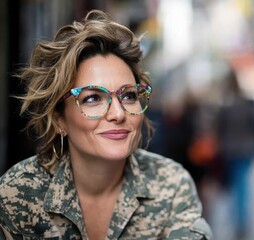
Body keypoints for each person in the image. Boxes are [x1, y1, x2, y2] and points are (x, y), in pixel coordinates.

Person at [0, 10, 212, 240]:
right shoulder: (18, 191)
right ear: (60, 120)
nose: (118, 113)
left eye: (129, 96)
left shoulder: (171, 185)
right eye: (92, 98)